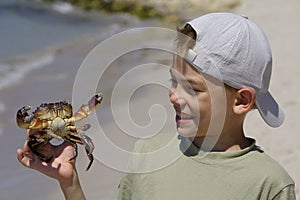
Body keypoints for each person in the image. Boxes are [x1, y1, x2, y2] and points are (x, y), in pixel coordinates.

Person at [17, 12, 295, 200]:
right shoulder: (147, 155)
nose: (174, 96)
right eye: (173, 82)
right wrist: (70, 183)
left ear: (242, 101)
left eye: (192, 88)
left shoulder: (269, 184)